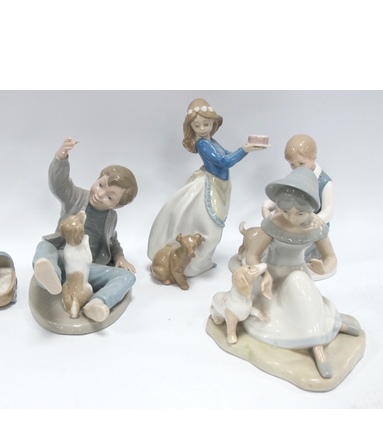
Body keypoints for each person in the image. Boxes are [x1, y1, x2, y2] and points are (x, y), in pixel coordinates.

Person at [244, 168, 358, 378]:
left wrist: (324, 268)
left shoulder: (316, 226)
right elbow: (252, 256)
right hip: (272, 279)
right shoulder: (273, 223)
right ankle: (318, 345)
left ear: (311, 209)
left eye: (300, 214)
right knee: (294, 300)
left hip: (299, 275)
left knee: (301, 289)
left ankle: (327, 331)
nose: (292, 218)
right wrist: (264, 274)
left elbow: (331, 257)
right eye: (286, 212)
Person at [148, 98, 266, 277]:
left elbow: (226, 154)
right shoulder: (202, 144)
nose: (202, 128)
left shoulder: (211, 140)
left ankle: (200, 262)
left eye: (206, 124)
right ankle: (192, 265)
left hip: (220, 184)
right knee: (211, 233)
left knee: (210, 230)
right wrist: (244, 150)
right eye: (197, 125)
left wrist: (247, 149)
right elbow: (223, 161)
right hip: (209, 186)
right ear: (191, 127)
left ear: (213, 123)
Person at [32, 138, 138, 323]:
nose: (100, 194)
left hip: (86, 268)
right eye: (101, 185)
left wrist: (119, 256)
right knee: (44, 247)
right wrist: (61, 159)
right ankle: (51, 278)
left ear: (117, 205)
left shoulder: (111, 217)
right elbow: (60, 184)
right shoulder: (76, 197)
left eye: (110, 197)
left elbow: (112, 240)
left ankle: (98, 303)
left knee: (127, 277)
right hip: (61, 258)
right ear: (97, 179)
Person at [261, 134, 334, 265]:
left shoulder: (325, 184)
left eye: (301, 163)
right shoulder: (294, 177)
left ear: (314, 157)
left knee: (301, 254)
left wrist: (307, 223)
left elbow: (328, 213)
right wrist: (268, 206)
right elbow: (284, 196)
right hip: (290, 223)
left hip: (309, 232)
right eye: (292, 165)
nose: (297, 168)